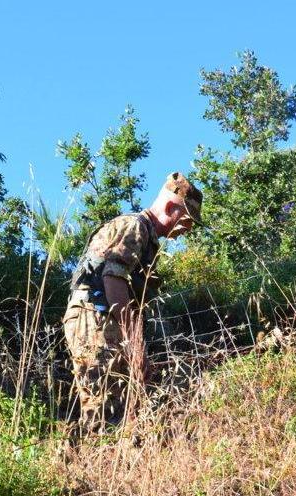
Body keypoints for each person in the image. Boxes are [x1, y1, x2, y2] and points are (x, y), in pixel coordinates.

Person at [63, 172, 203, 433]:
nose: (188, 229)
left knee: (119, 401)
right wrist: (135, 344)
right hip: (96, 318)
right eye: (186, 219)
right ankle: (98, 464)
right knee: (104, 403)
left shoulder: (146, 236)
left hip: (102, 319)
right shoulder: (135, 226)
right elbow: (113, 280)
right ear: (170, 206)